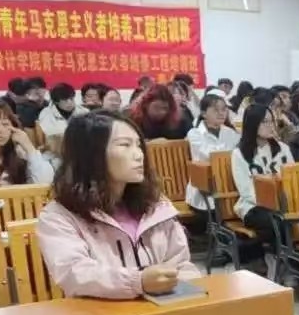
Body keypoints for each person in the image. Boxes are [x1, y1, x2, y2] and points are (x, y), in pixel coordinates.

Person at [36, 111, 195, 299]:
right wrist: (138, 281)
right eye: (125, 145)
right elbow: (74, 273)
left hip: (165, 308)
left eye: (138, 145)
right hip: (100, 312)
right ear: (91, 154)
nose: (139, 155)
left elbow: (182, 264)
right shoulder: (59, 215)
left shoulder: (156, 205)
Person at [232, 101, 294, 257]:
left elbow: (292, 178)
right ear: (253, 124)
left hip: (284, 203)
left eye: (272, 121)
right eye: (265, 122)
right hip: (253, 206)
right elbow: (246, 191)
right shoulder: (239, 154)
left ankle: (260, 250)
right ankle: (281, 259)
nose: (270, 126)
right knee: (276, 222)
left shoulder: (283, 149)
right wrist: (273, 202)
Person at [36, 82, 84, 153]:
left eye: (71, 99)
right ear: (56, 102)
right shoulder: (46, 114)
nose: (70, 102)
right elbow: (52, 135)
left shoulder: (83, 112)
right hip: (55, 151)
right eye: (65, 100)